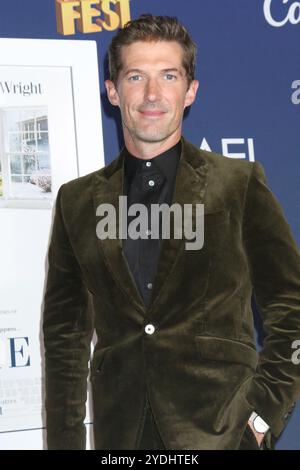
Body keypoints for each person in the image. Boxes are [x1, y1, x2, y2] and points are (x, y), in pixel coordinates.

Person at [42, 14, 300, 450]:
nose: (152, 94)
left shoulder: (238, 184)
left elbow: (292, 308)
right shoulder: (76, 201)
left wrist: (261, 418)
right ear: (113, 90)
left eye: (169, 75)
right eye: (136, 76)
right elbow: (65, 339)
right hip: (120, 437)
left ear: (190, 91)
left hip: (222, 434)